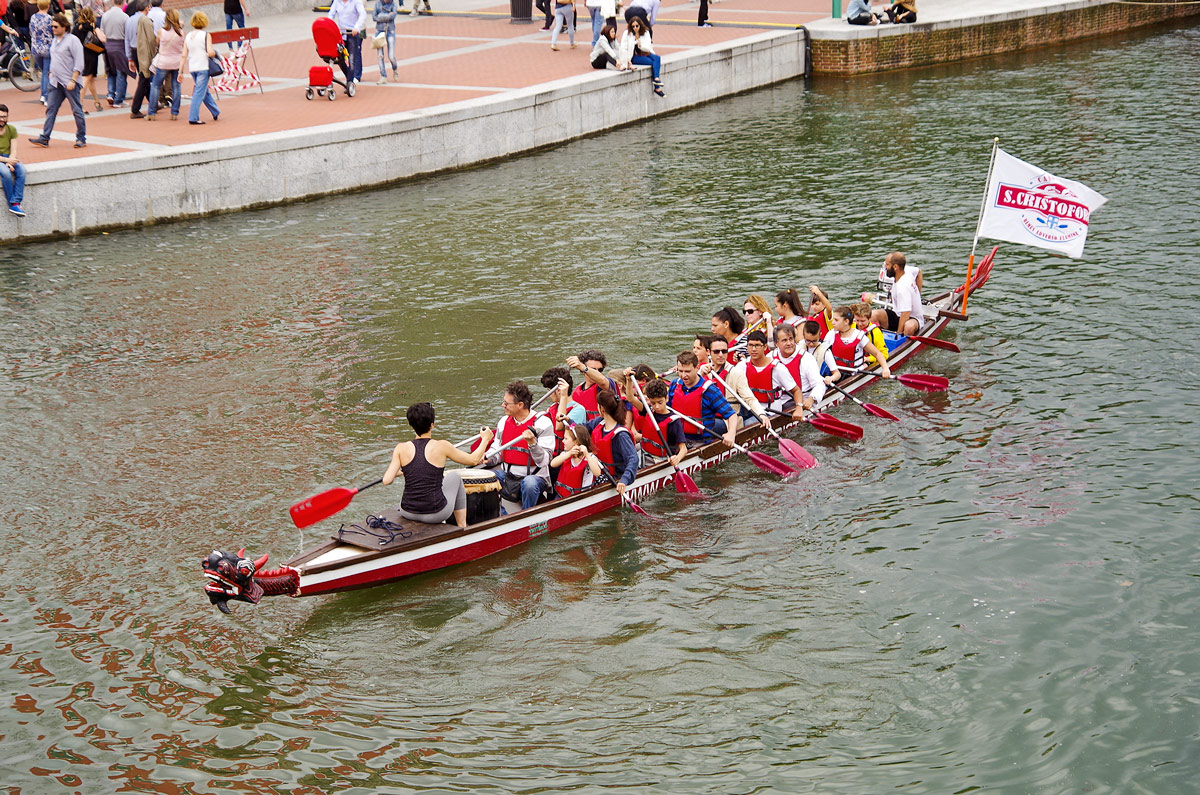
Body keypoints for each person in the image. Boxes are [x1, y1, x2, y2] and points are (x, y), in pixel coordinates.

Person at [382, 402, 495, 528]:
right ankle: (462, 526)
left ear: (411, 424)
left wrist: (405, 470)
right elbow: (473, 460)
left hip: (407, 512)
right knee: (455, 477)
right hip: (436, 514)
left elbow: (387, 480)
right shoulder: (442, 446)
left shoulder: (401, 448)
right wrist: (485, 439)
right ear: (432, 425)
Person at [486, 379, 555, 511]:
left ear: (520, 405)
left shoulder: (542, 423)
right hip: (508, 476)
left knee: (529, 483)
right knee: (485, 478)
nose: (502, 405)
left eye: (506, 403)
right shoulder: (503, 422)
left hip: (534, 477)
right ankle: (501, 514)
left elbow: (544, 461)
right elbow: (497, 450)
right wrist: (488, 458)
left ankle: (527, 514)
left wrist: (532, 444)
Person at [27, 14, 86, 149]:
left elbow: (79, 62)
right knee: (51, 109)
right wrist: (51, 73)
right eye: (52, 26)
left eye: (55, 26)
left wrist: (73, 79)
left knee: (77, 110)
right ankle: (45, 137)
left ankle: (81, 138)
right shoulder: (54, 40)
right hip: (55, 82)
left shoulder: (73, 40)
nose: (53, 29)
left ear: (64, 27)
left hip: (69, 81)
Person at [669, 350, 738, 448]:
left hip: (699, 442)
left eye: (687, 371)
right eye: (680, 371)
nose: (683, 375)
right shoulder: (674, 385)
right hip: (676, 439)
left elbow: (731, 415)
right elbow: (666, 410)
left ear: (697, 367)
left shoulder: (710, 390)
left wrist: (731, 433)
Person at [736, 330, 803, 422]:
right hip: (748, 409)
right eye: (750, 345)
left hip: (770, 412)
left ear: (765, 347)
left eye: (757, 345)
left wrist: (799, 407)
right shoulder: (741, 366)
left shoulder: (778, 368)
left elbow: (796, 390)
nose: (753, 349)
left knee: (746, 423)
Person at [583, 389, 637, 493]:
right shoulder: (600, 422)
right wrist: (569, 422)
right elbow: (582, 427)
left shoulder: (621, 435)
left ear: (602, 409)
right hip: (599, 473)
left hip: (615, 478)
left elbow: (633, 459)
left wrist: (624, 480)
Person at [823, 305, 892, 384]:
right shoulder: (831, 334)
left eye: (836, 320)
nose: (832, 323)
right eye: (857, 320)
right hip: (836, 371)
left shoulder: (860, 336)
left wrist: (885, 368)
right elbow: (821, 352)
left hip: (854, 372)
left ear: (846, 321)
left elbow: (877, 353)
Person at [627, 377, 686, 467]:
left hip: (661, 460)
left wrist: (677, 458)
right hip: (644, 454)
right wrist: (628, 380)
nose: (657, 407)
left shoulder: (674, 421)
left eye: (660, 402)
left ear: (666, 398)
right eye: (653, 403)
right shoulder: (648, 410)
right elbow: (630, 399)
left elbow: (683, 449)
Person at [773, 322, 827, 415]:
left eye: (791, 339)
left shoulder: (806, 358)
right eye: (784, 340)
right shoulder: (770, 357)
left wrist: (811, 399)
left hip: (802, 399)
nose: (789, 343)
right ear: (776, 343)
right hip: (778, 401)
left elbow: (819, 384)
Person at [179, 11, 220, 124]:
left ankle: (215, 111)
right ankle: (193, 117)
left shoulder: (188, 36)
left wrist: (180, 71)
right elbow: (210, 52)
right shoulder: (206, 35)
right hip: (203, 66)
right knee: (199, 92)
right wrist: (215, 53)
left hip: (193, 67)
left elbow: (183, 55)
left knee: (203, 91)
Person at [541, 366, 586, 461]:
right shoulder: (553, 407)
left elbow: (559, 426)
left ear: (558, 390)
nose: (549, 395)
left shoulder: (578, 410)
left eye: (549, 391)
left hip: (567, 457)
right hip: (552, 455)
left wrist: (563, 395)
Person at [549, 423, 602, 498]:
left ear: (576, 442)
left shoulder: (590, 457)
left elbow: (597, 473)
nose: (563, 441)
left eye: (566, 439)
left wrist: (587, 455)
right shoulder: (566, 454)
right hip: (561, 496)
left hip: (580, 498)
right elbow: (552, 464)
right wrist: (569, 453)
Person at [146, 7, 181, 120]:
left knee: (156, 85)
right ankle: (174, 112)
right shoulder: (181, 33)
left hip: (163, 62)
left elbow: (157, 44)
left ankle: (151, 113)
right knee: (176, 86)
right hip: (176, 62)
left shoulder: (161, 32)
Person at [566, 349, 618, 422]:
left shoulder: (608, 383)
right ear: (582, 371)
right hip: (584, 427)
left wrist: (584, 367)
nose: (597, 372)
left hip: (604, 426)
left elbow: (603, 382)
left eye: (600, 370)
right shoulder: (577, 391)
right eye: (593, 369)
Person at [616, 15, 663, 97]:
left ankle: (656, 79)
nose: (635, 28)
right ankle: (657, 87)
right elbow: (623, 48)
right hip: (634, 57)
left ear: (640, 25)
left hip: (646, 52)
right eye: (633, 26)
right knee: (651, 62)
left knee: (657, 58)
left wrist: (640, 45)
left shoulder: (646, 33)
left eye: (637, 26)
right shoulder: (627, 34)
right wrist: (627, 60)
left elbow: (648, 47)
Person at [71, 6, 103, 113]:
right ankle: (79, 104)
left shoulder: (76, 28)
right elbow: (101, 38)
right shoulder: (92, 26)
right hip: (91, 54)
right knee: (86, 79)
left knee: (90, 79)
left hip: (80, 55)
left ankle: (97, 101)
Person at [128, 0, 156, 118]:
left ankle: (153, 103)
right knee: (144, 78)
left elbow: (126, 40)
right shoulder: (145, 20)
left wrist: (129, 57)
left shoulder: (129, 20)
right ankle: (135, 109)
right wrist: (154, 53)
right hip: (143, 52)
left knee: (144, 77)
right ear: (146, 8)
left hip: (134, 51)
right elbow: (151, 39)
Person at [99, 0, 129, 107]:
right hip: (120, 45)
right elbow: (127, 33)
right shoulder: (125, 17)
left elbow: (102, 31)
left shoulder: (105, 15)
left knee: (110, 71)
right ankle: (119, 99)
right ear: (123, 2)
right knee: (121, 72)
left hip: (108, 45)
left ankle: (111, 93)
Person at [328, 0, 365, 84]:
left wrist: (357, 27)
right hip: (341, 32)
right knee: (340, 58)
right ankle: (349, 76)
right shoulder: (337, 1)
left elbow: (362, 14)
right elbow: (331, 14)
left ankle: (351, 80)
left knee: (352, 58)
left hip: (352, 32)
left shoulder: (355, 2)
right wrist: (329, 25)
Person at [0, 105, 26, 217]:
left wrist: (10, 161)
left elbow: (14, 150)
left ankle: (16, 201)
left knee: (22, 171)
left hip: (9, 157)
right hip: (2, 158)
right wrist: (7, 161)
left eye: (4, 117)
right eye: (0, 117)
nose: (2, 119)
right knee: (6, 173)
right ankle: (13, 204)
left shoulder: (12, 129)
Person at [29, 0, 51, 105]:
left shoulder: (33, 17)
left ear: (38, 6)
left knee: (43, 72)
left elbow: (31, 31)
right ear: (48, 6)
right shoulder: (49, 18)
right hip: (47, 48)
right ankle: (46, 96)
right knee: (46, 72)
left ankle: (43, 94)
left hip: (35, 48)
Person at [372, 0, 397, 83]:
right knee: (380, 55)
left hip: (390, 31)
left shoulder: (393, 4)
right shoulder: (377, 4)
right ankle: (383, 75)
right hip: (379, 31)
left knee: (391, 56)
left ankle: (395, 68)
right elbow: (374, 17)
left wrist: (380, 15)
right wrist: (387, 15)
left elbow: (393, 16)